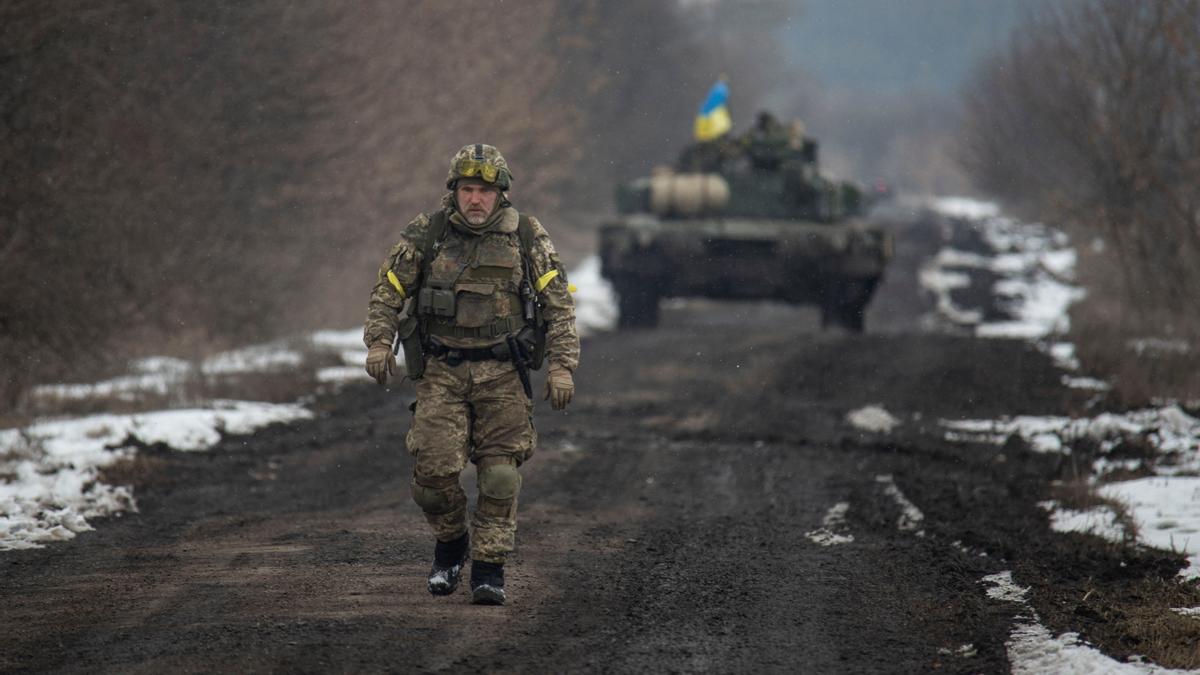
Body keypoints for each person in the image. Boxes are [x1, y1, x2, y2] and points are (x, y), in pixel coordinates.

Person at [362, 143, 579, 605]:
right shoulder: (428, 233)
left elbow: (558, 305)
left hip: (503, 372)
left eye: (483, 190)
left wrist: (561, 367)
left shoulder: (525, 236)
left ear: (500, 193)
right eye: (467, 189)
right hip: (442, 372)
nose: (475, 199)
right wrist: (379, 341)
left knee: (500, 478)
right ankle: (452, 543)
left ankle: (488, 570)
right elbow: (388, 291)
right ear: (454, 191)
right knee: (432, 477)